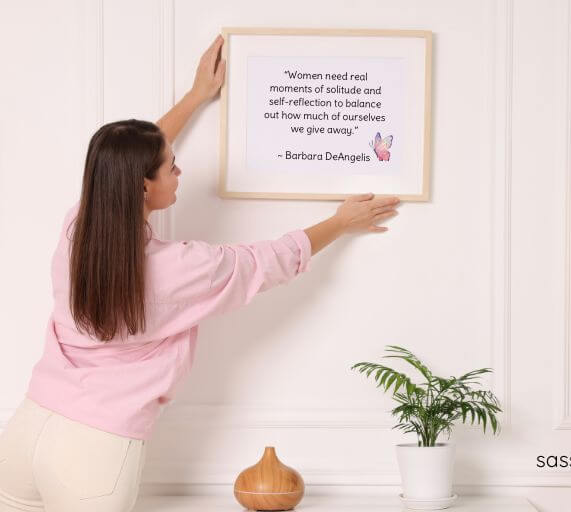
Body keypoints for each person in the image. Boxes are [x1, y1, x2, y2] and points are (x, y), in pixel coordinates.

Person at [0, 34, 400, 512]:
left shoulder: (77, 227)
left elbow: (125, 162)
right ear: (143, 186)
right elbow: (265, 261)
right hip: (96, 450)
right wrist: (340, 222)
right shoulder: (178, 269)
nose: (179, 172)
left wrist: (195, 96)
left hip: (27, 429)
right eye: (171, 168)